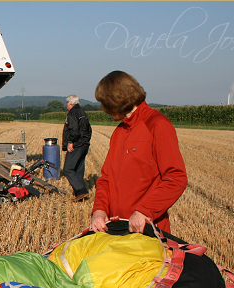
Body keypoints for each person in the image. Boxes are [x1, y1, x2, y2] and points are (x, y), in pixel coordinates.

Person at [90, 71, 188, 234]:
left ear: (115, 100)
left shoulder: (157, 124)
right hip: (116, 229)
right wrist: (99, 210)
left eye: (104, 103)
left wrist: (145, 211)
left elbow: (176, 178)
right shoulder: (119, 132)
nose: (103, 108)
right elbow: (106, 179)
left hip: (147, 230)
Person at [61, 95, 92, 201]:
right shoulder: (82, 112)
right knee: (78, 168)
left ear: (69, 103)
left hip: (77, 144)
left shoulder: (73, 113)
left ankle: (81, 191)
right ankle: (79, 193)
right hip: (84, 144)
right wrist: (86, 140)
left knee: (68, 169)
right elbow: (89, 129)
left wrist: (71, 142)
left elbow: (74, 130)